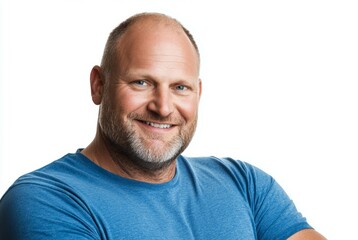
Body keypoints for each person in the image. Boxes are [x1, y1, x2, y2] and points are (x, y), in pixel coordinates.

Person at [0, 12, 326, 239]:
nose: (163, 107)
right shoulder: (45, 201)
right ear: (99, 85)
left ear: (198, 93)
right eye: (142, 82)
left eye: (180, 87)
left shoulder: (246, 185)